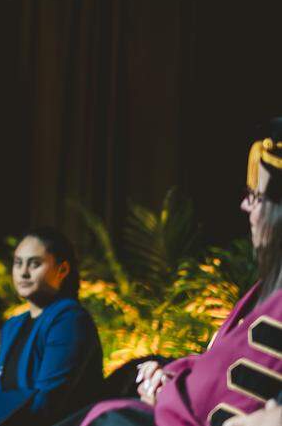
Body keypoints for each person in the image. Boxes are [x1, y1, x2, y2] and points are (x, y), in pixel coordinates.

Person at [59, 119, 282, 426]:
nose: (245, 205)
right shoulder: (260, 294)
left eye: (256, 197)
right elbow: (217, 365)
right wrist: (170, 372)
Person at [0, 229, 102, 426]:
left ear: (62, 270)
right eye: (18, 263)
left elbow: (48, 401)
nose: (23, 272)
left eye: (35, 264)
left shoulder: (69, 319)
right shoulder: (13, 326)